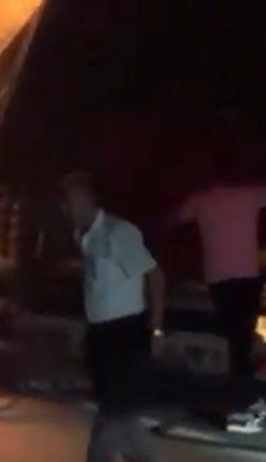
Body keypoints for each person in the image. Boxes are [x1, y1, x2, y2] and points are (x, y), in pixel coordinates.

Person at [63, 170, 165, 462]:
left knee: (115, 414)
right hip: (101, 335)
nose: (65, 209)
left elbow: (155, 277)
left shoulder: (119, 233)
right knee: (118, 415)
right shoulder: (84, 236)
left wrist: (155, 329)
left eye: (69, 201)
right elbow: (96, 287)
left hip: (125, 334)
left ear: (84, 200)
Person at [172, 180, 266, 434]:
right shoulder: (250, 193)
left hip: (220, 280)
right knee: (242, 340)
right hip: (247, 278)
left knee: (236, 339)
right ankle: (245, 397)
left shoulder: (201, 200)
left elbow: (176, 218)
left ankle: (244, 397)